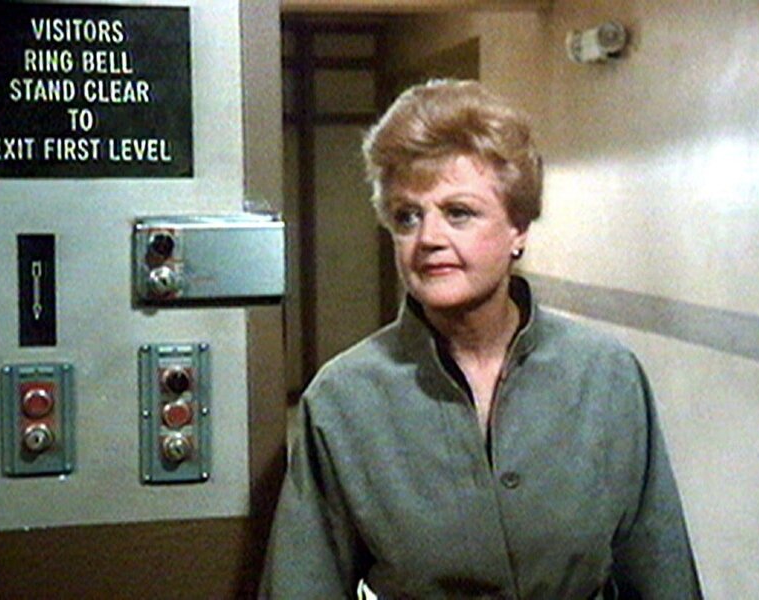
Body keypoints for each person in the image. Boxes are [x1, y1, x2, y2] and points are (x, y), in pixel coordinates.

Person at [260, 79, 702, 599]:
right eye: (407, 216)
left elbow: (662, 573)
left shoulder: (606, 376)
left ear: (519, 228)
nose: (428, 239)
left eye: (459, 213)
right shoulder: (343, 399)